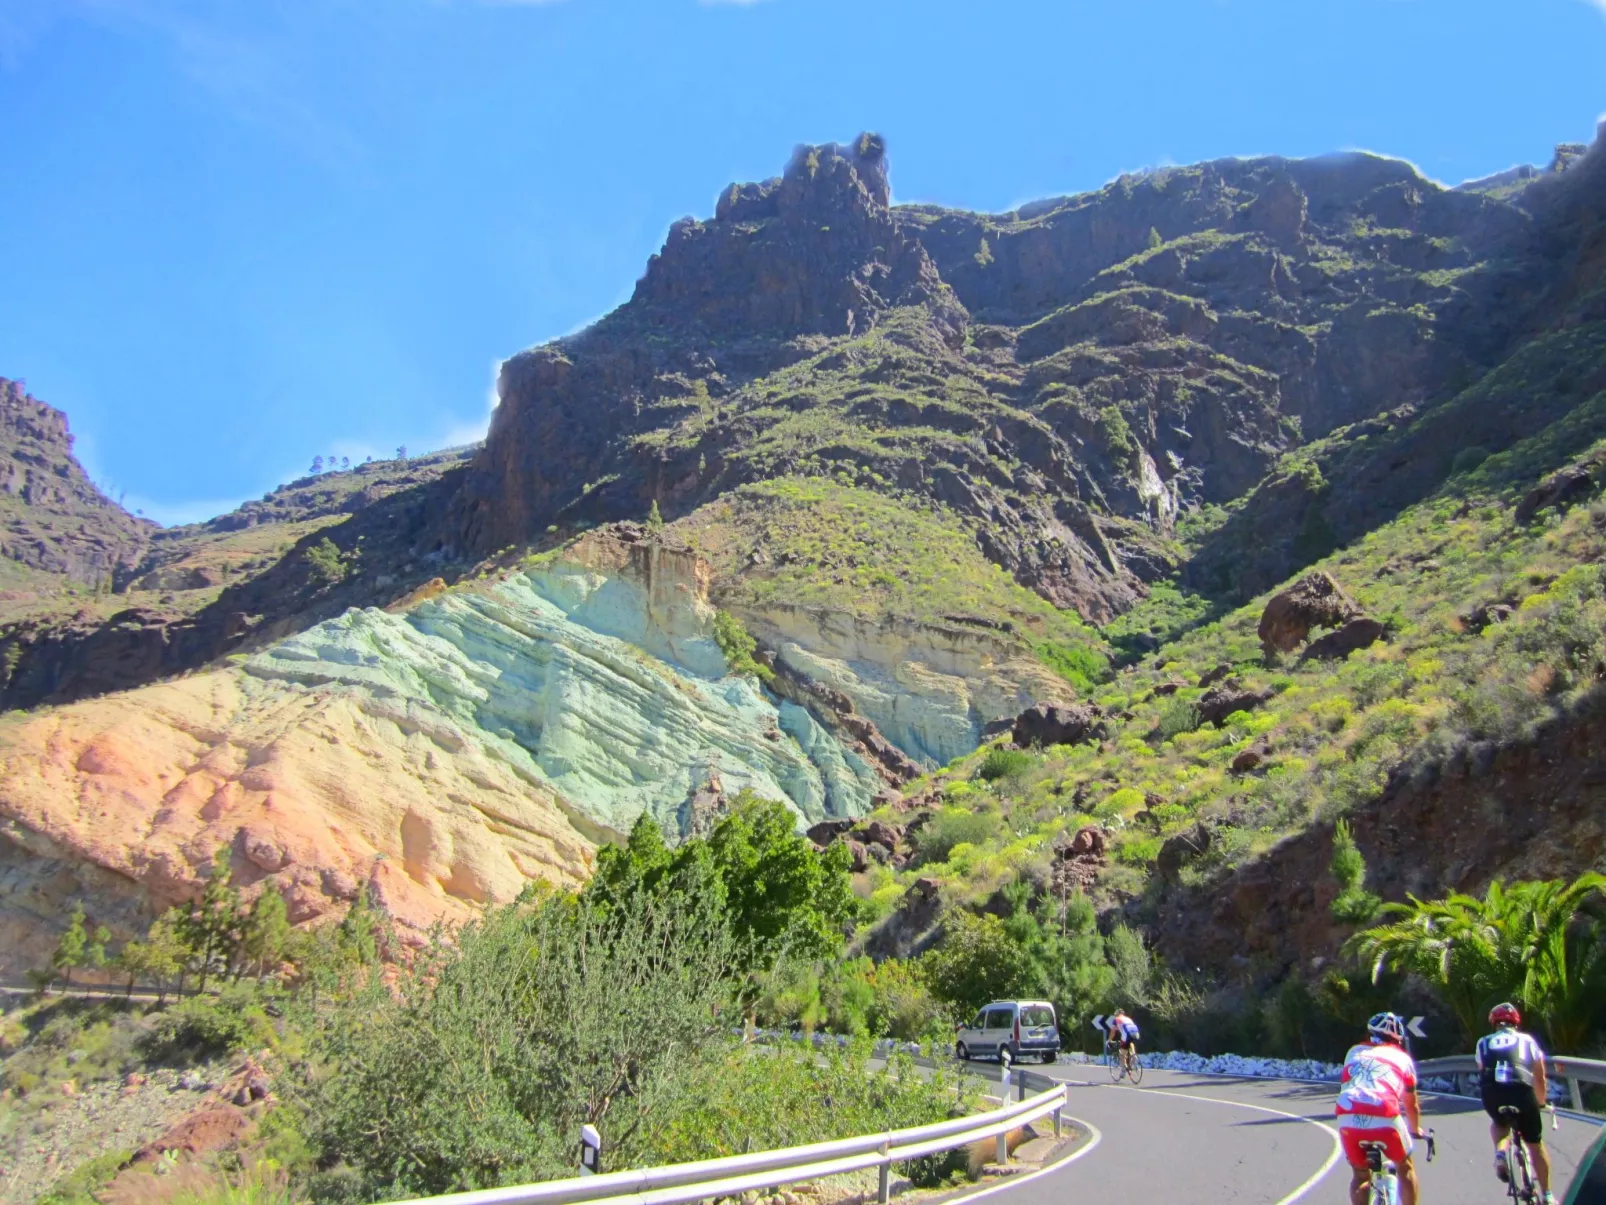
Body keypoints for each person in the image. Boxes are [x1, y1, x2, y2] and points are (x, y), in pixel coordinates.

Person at [1335, 1012, 1427, 1205]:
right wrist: (1415, 1129)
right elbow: (1411, 1104)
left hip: (1347, 1114)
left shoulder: (1353, 1051)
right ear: (1398, 1041)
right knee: (1405, 1167)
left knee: (1360, 1176)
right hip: (1384, 1114)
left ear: (1370, 1034)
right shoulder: (1403, 1059)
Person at [1477, 1002, 1555, 1205]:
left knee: (1499, 1123)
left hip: (1492, 1092)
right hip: (1521, 1090)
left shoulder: (1483, 1042)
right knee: (1535, 1143)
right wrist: (1540, 1103)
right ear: (1516, 1023)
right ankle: (1547, 1195)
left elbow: (1483, 1070)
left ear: (1494, 1024)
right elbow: (1540, 1077)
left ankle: (1501, 1153)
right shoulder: (1528, 1040)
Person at [1107, 1008, 1140, 1073]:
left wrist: (1109, 1040)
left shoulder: (1116, 1019)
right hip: (1136, 1033)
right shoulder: (1128, 1019)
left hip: (1126, 1034)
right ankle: (1134, 1055)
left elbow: (1113, 1032)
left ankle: (1123, 1070)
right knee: (1131, 1042)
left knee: (1122, 1053)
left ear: (1117, 1014)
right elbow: (1119, 1028)